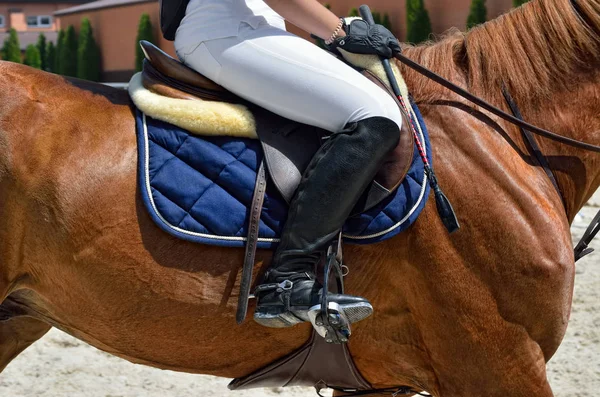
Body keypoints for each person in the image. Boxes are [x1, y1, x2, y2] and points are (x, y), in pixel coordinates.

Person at [174, 0, 403, 332]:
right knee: (377, 116)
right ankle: (288, 279)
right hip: (230, 32)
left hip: (249, 30)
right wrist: (339, 30)